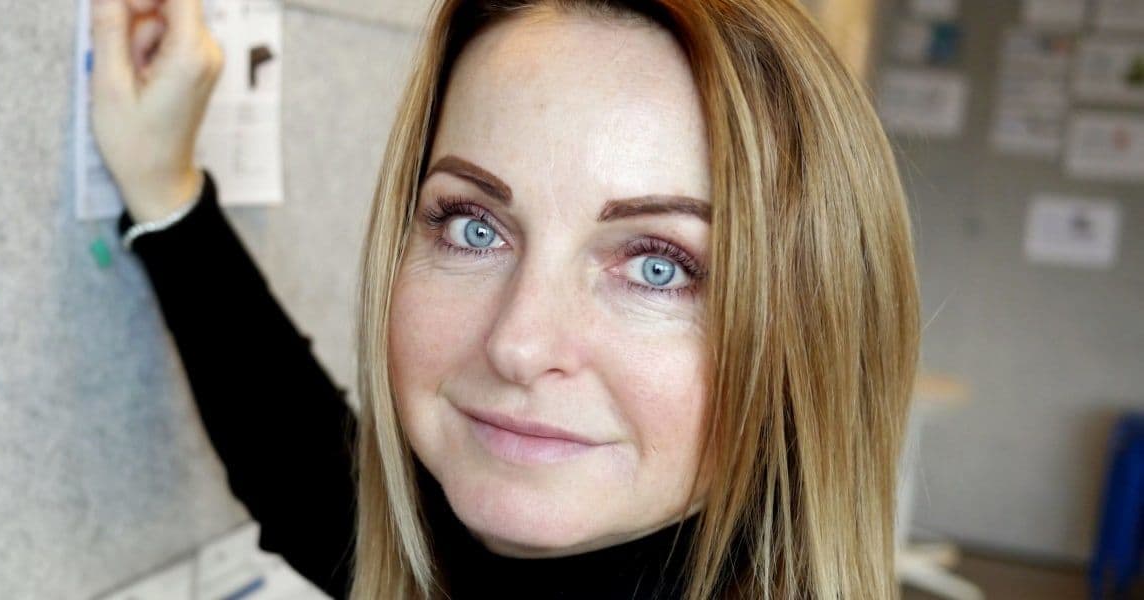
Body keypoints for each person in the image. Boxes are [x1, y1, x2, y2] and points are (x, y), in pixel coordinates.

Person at [89, 0, 922, 598]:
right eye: (473, 228)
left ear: (808, 337)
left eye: (658, 265)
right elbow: (315, 483)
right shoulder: (451, 554)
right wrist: (166, 193)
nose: (517, 345)